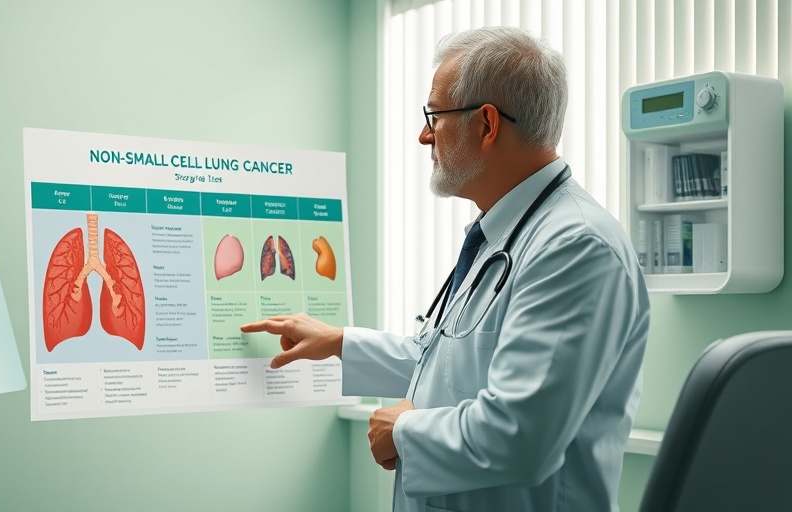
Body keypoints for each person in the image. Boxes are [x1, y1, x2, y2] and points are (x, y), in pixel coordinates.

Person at [241, 26, 650, 512]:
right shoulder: (505, 233)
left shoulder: (575, 247)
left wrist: (403, 430)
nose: (423, 135)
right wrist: (339, 342)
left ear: (487, 124)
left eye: (434, 116)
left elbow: (520, 435)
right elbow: (453, 367)